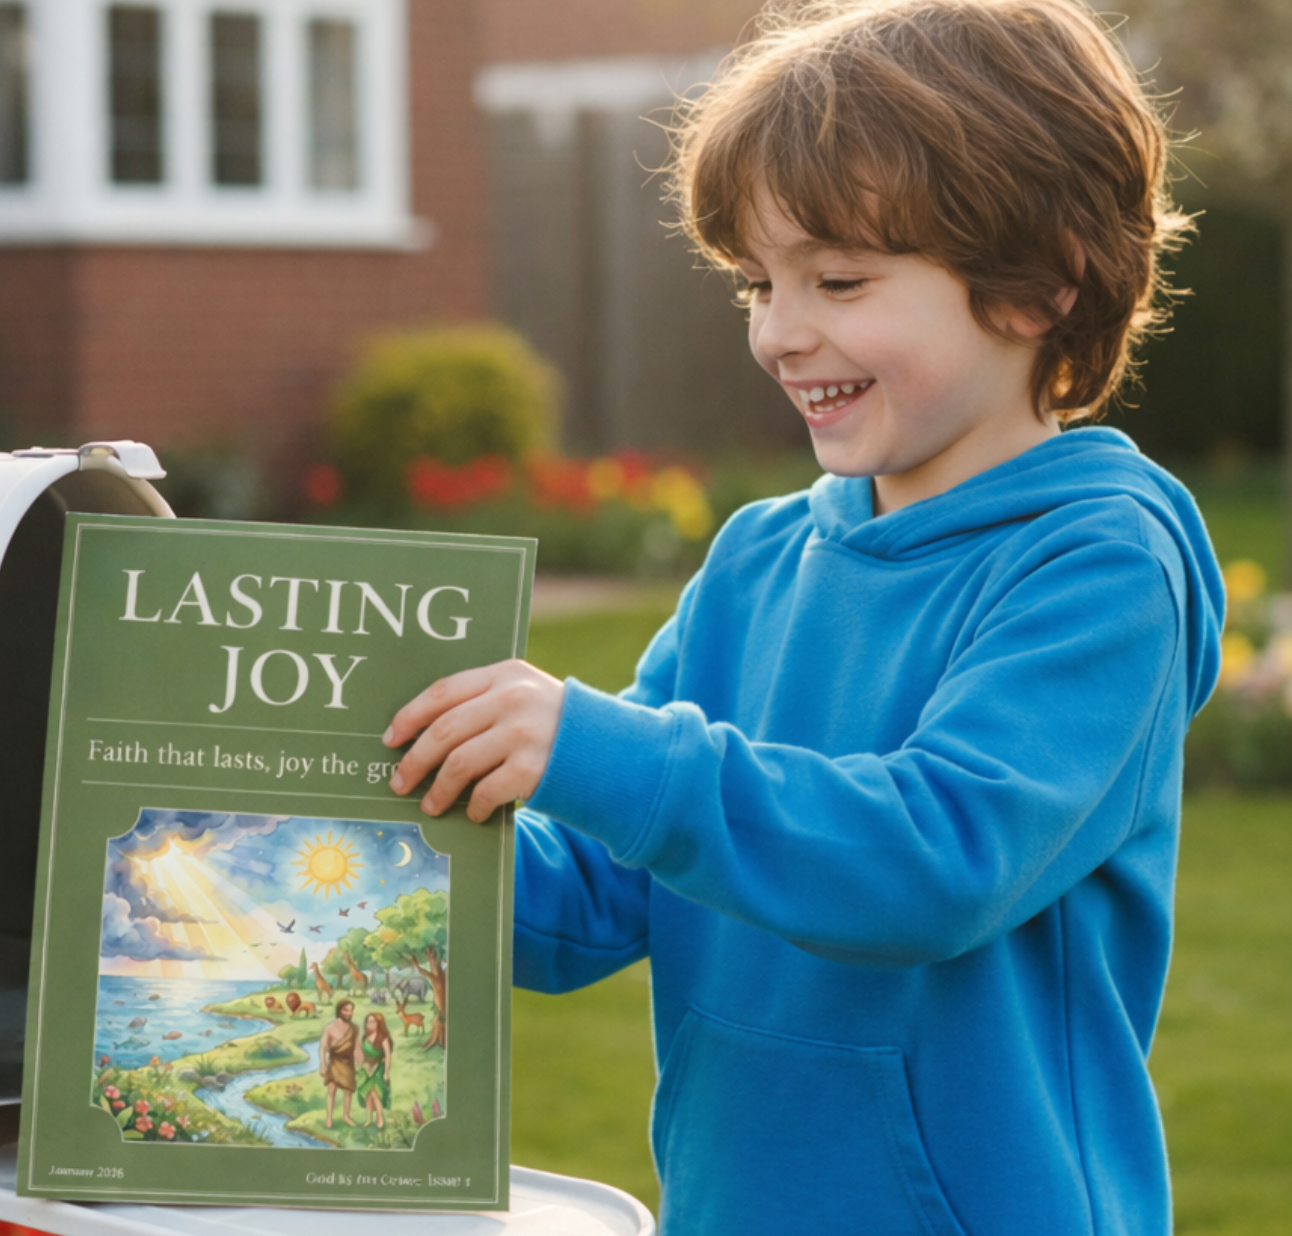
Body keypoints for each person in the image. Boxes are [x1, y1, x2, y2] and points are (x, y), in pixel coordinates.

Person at [381, 1, 1226, 1232]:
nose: (780, 332)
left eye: (837, 278)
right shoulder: (759, 561)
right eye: (756, 284)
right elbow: (595, 898)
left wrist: (592, 747)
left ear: (1043, 285)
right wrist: (360, 845)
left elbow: (936, 861)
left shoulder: (1097, 562)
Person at [318, 999, 357, 1129]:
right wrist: (323, 1064)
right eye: (346, 1010)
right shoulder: (330, 1028)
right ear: (339, 1011)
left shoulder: (354, 1028)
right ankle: (329, 1118)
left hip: (348, 1062)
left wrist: (363, 1062)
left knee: (348, 1091)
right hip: (334, 1061)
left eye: (351, 1010)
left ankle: (346, 1116)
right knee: (332, 1089)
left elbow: (356, 1048)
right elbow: (323, 1047)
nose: (349, 1013)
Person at [356, 1012, 394, 1129]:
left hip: (379, 1069)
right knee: (367, 1094)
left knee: (375, 1093)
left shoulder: (383, 1038)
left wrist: (386, 1073)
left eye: (373, 1022)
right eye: (368, 1022)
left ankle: (379, 1118)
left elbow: (387, 1056)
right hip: (366, 1070)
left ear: (379, 1023)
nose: (370, 1024)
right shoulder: (365, 1038)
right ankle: (368, 1119)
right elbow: (362, 1055)